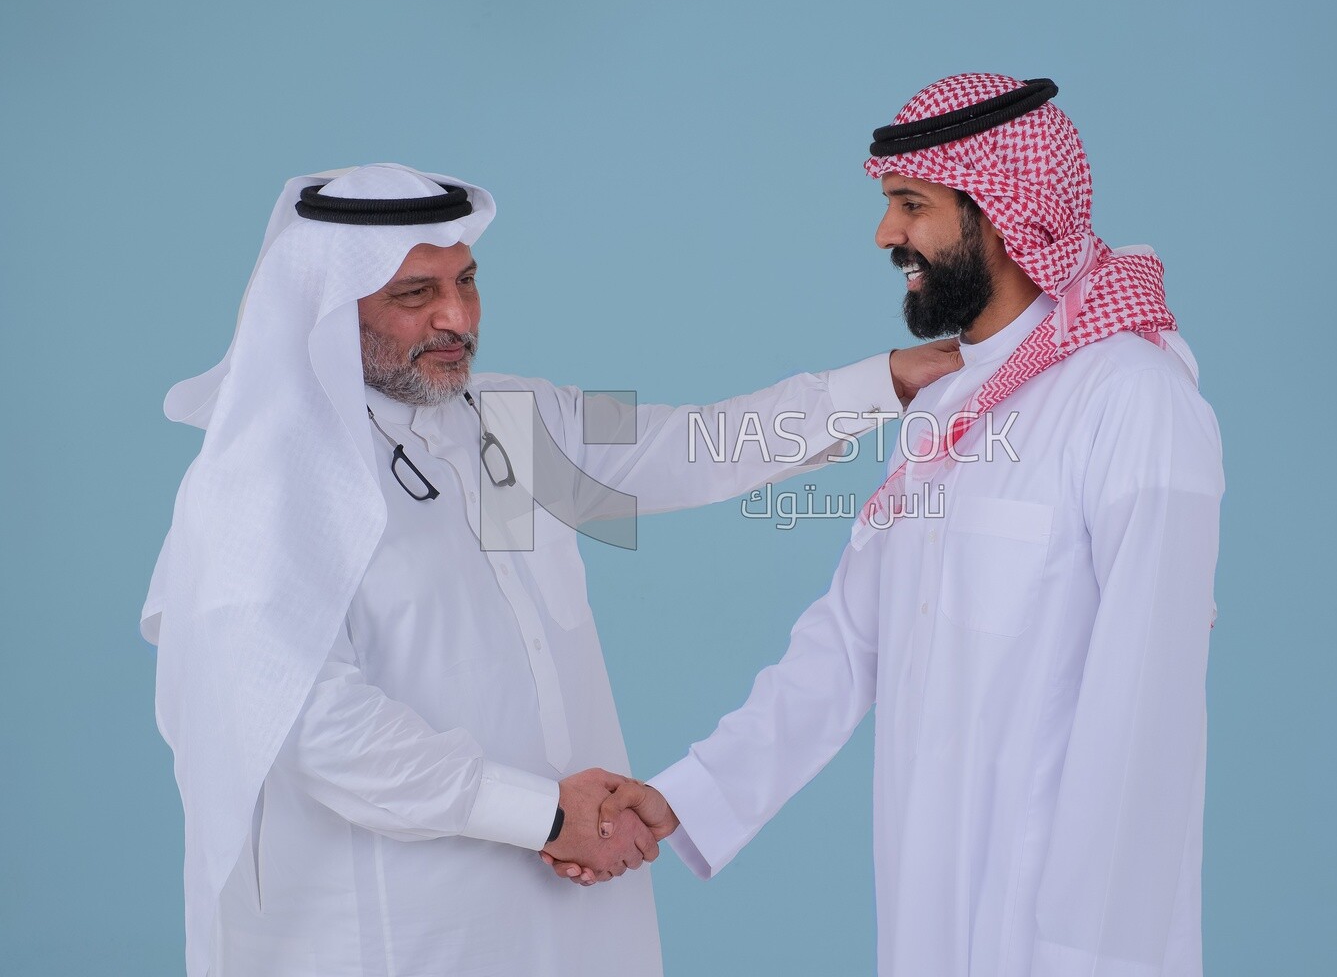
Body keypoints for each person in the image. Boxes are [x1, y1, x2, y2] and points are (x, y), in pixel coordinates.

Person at [139, 163, 957, 977]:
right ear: (324, 310)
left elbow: (690, 446)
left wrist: (882, 384)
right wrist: (540, 814)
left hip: (573, 906)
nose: (457, 317)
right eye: (414, 295)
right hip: (401, 931)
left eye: (466, 281)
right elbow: (317, 728)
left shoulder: (505, 422)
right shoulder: (261, 486)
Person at [565, 74, 1225, 976]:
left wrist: (1087, 949)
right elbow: (846, 646)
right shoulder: (942, 407)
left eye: (910, 205)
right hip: (926, 912)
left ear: (999, 213)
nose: (886, 235)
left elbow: (1146, 713)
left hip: (1071, 936)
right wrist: (685, 798)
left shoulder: (1135, 401)